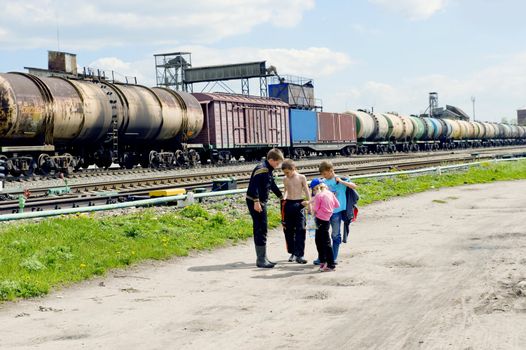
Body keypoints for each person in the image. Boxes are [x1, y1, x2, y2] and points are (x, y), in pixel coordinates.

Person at [246, 148, 284, 268]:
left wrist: (281, 196)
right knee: (260, 228)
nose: (278, 166)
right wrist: (256, 201)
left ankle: (263, 257)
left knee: (262, 228)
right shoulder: (262, 169)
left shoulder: (268, 169)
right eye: (277, 163)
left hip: (260, 201)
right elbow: (254, 186)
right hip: (255, 201)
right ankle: (261, 259)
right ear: (271, 160)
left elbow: (271, 184)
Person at [314, 160, 358, 265]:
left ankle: (333, 257)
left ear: (331, 170)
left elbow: (354, 186)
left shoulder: (341, 179)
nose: (324, 176)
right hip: (323, 213)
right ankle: (322, 257)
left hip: (336, 212)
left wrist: (341, 182)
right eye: (322, 174)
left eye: (325, 173)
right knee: (321, 236)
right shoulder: (323, 182)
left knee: (335, 235)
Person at [281, 159, 311, 264]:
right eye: (284, 173)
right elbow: (285, 191)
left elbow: (307, 190)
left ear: (293, 169)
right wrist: (283, 201)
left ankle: (300, 255)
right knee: (288, 230)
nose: (286, 174)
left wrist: (310, 204)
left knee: (301, 229)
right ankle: (292, 252)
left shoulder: (301, 177)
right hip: (288, 204)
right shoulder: (285, 179)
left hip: (299, 204)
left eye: (287, 172)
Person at [308, 178, 339, 272]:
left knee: (323, 242)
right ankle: (324, 261)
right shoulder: (330, 193)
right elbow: (336, 205)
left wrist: (310, 214)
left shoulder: (319, 196)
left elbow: (315, 209)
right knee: (321, 240)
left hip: (320, 219)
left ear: (315, 188)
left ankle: (330, 264)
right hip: (327, 219)